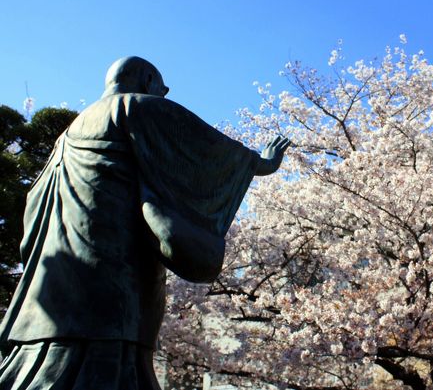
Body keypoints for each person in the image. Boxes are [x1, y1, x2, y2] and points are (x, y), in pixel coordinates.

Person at [0, 57, 289, 389]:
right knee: (113, 371)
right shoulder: (136, 108)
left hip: (52, 294)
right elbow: (206, 150)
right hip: (112, 278)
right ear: (148, 80)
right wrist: (260, 163)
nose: (162, 97)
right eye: (161, 89)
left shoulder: (65, 136)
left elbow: (34, 206)